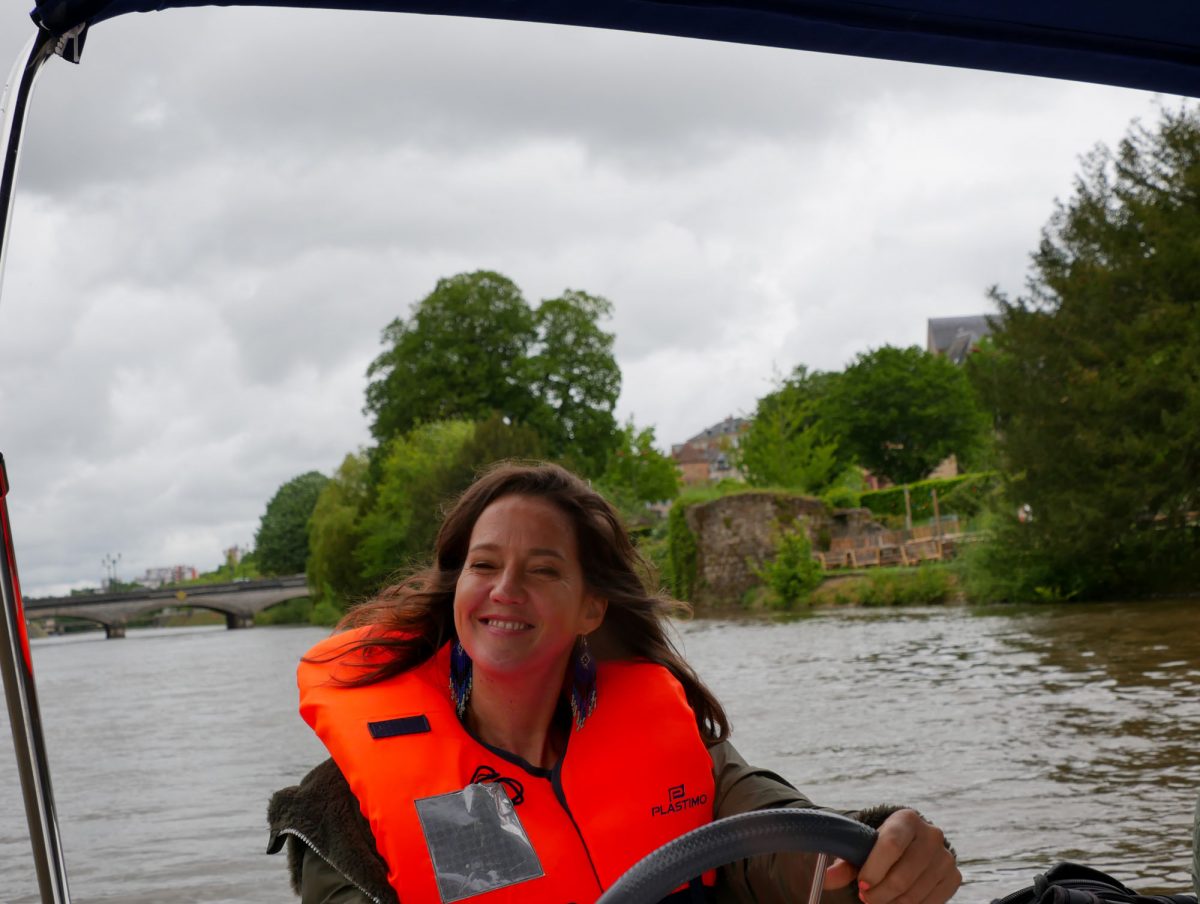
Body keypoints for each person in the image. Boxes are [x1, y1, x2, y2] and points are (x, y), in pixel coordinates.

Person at [267, 462, 960, 904]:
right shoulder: (350, 805)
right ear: (459, 591)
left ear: (590, 608)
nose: (505, 590)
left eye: (542, 570)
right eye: (484, 566)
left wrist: (886, 854)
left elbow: (792, 854)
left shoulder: (679, 750)